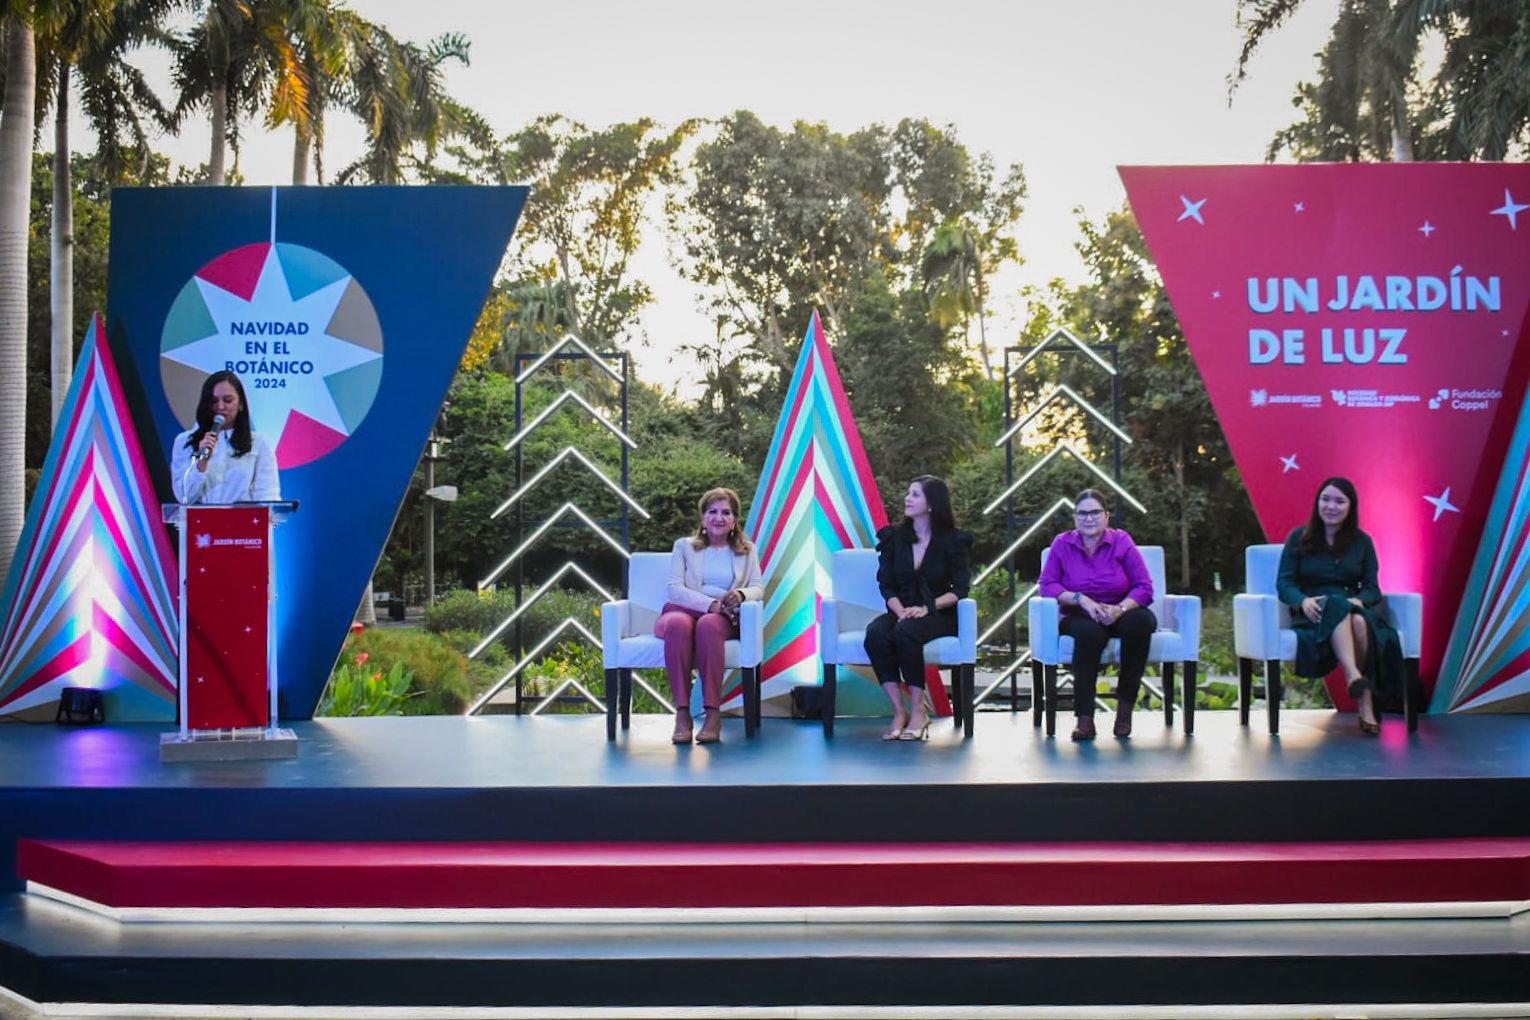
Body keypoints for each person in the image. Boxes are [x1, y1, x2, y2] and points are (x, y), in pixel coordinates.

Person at [1276, 476, 1401, 736]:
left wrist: (1359, 600)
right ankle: (1359, 688)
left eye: (1339, 501)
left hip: (1352, 607)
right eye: (1326, 499)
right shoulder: (1299, 538)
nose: (1331, 506)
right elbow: (1284, 583)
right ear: (1317, 503)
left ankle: (1356, 679)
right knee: (1341, 610)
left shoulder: (1362, 542)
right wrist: (1303, 601)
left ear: (1350, 507)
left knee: (1354, 617)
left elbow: (1372, 588)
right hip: (1314, 613)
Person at [1037, 488, 1156, 741]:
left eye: (1094, 513)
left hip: (1118, 611)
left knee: (1142, 621)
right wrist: (1081, 599)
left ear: (1106, 516)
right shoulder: (1062, 544)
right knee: (1089, 634)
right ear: (1074, 518)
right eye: (1082, 513)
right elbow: (1047, 585)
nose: (1088, 518)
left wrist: (1120, 608)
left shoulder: (1122, 541)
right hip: (1079, 614)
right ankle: (1085, 719)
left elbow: (1144, 587)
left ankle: (1124, 711)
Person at [863, 476, 973, 741]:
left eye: (915, 495)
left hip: (940, 614)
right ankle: (899, 711)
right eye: (908, 493)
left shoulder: (953, 541)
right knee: (876, 633)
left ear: (932, 503)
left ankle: (918, 711)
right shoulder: (894, 539)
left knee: (906, 632)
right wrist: (900, 611)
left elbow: (960, 590)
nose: (907, 499)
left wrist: (927, 607)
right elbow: (886, 585)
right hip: (902, 610)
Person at [656, 487, 764, 745]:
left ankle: (713, 714)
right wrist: (709, 604)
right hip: (684, 608)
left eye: (726, 512)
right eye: (712, 512)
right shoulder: (684, 547)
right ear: (703, 518)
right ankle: (682, 714)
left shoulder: (747, 550)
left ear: (735, 520)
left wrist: (740, 594)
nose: (719, 517)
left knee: (708, 626)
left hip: (722, 617)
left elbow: (758, 587)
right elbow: (675, 589)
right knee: (677, 625)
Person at [170, 371, 280, 505]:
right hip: (201, 524)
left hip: (244, 523)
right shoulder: (184, 441)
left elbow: (268, 497)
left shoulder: (259, 443)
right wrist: (201, 462)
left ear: (241, 404)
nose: (220, 407)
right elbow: (184, 497)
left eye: (228, 400)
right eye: (214, 401)